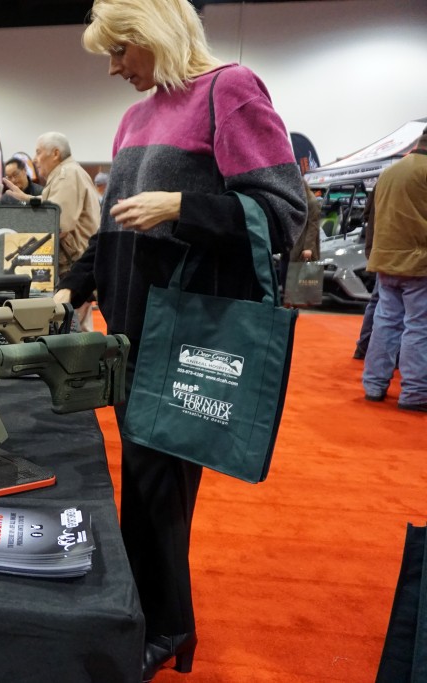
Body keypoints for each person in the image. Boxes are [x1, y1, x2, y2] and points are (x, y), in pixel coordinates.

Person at [53, 2, 306, 680]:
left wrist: (181, 208)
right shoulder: (137, 116)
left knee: (156, 482)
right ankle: (158, 617)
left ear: (150, 38)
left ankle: (164, 625)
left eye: (118, 53)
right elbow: (114, 224)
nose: (112, 69)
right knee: (144, 481)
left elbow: (283, 212)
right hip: (129, 326)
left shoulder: (231, 90)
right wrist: (73, 286)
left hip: (185, 325)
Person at [361, 126, 427, 412]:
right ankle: (415, 392)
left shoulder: (389, 172)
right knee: (419, 327)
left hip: (386, 260)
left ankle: (374, 384)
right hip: (419, 262)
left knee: (385, 322)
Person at [3, 132, 101, 281]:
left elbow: (58, 224)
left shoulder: (65, 175)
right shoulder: (68, 172)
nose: (35, 160)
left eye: (38, 152)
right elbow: (53, 203)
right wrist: (27, 198)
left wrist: (17, 236)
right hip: (77, 263)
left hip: (74, 267)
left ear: (55, 154)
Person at [280, 181, 322, 305]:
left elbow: (313, 226)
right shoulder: (295, 201)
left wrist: (308, 247)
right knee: (285, 272)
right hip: (290, 244)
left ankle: (294, 302)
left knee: (295, 273)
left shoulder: (312, 202)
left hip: (302, 244)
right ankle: (290, 300)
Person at [353, 188, 378, 359]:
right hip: (410, 257)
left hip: (380, 250)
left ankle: (363, 348)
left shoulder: (383, 179)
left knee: (378, 304)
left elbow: (367, 214)